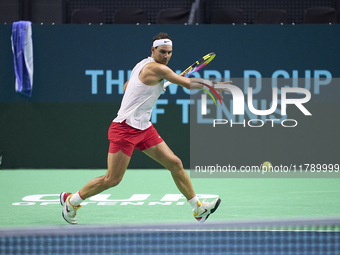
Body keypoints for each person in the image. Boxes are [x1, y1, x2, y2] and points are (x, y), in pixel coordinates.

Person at [60, 32, 230, 225]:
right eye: (162, 52)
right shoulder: (157, 69)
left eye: (170, 52)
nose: (166, 56)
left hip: (143, 128)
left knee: (175, 163)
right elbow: (187, 84)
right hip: (125, 129)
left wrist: (153, 88)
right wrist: (213, 85)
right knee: (112, 179)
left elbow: (126, 87)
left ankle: (197, 209)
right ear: (153, 50)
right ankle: (71, 202)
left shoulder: (141, 65)